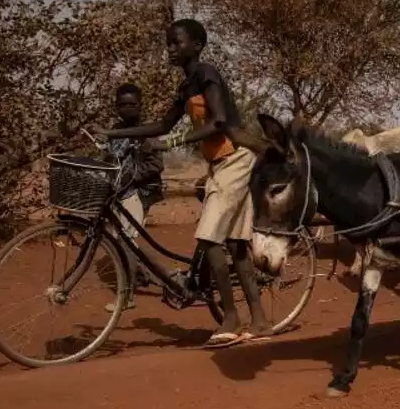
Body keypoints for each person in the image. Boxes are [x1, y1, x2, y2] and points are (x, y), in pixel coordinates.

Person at [90, 19, 268, 348]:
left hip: (236, 159)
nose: (171, 49)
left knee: (210, 237)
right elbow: (160, 124)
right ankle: (259, 319)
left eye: (177, 43)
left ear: (197, 46)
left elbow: (217, 122)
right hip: (221, 163)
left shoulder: (207, 74)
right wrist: (113, 133)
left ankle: (231, 317)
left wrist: (171, 143)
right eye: (168, 43)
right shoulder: (187, 85)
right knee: (236, 245)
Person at [105, 83, 166, 312]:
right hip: (116, 195)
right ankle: (156, 276)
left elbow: (155, 165)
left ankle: (127, 296)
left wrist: (132, 176)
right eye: (122, 104)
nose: (127, 108)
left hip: (136, 194)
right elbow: (111, 159)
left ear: (140, 106)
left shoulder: (147, 132)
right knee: (121, 242)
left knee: (126, 244)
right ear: (116, 107)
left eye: (132, 104)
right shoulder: (115, 131)